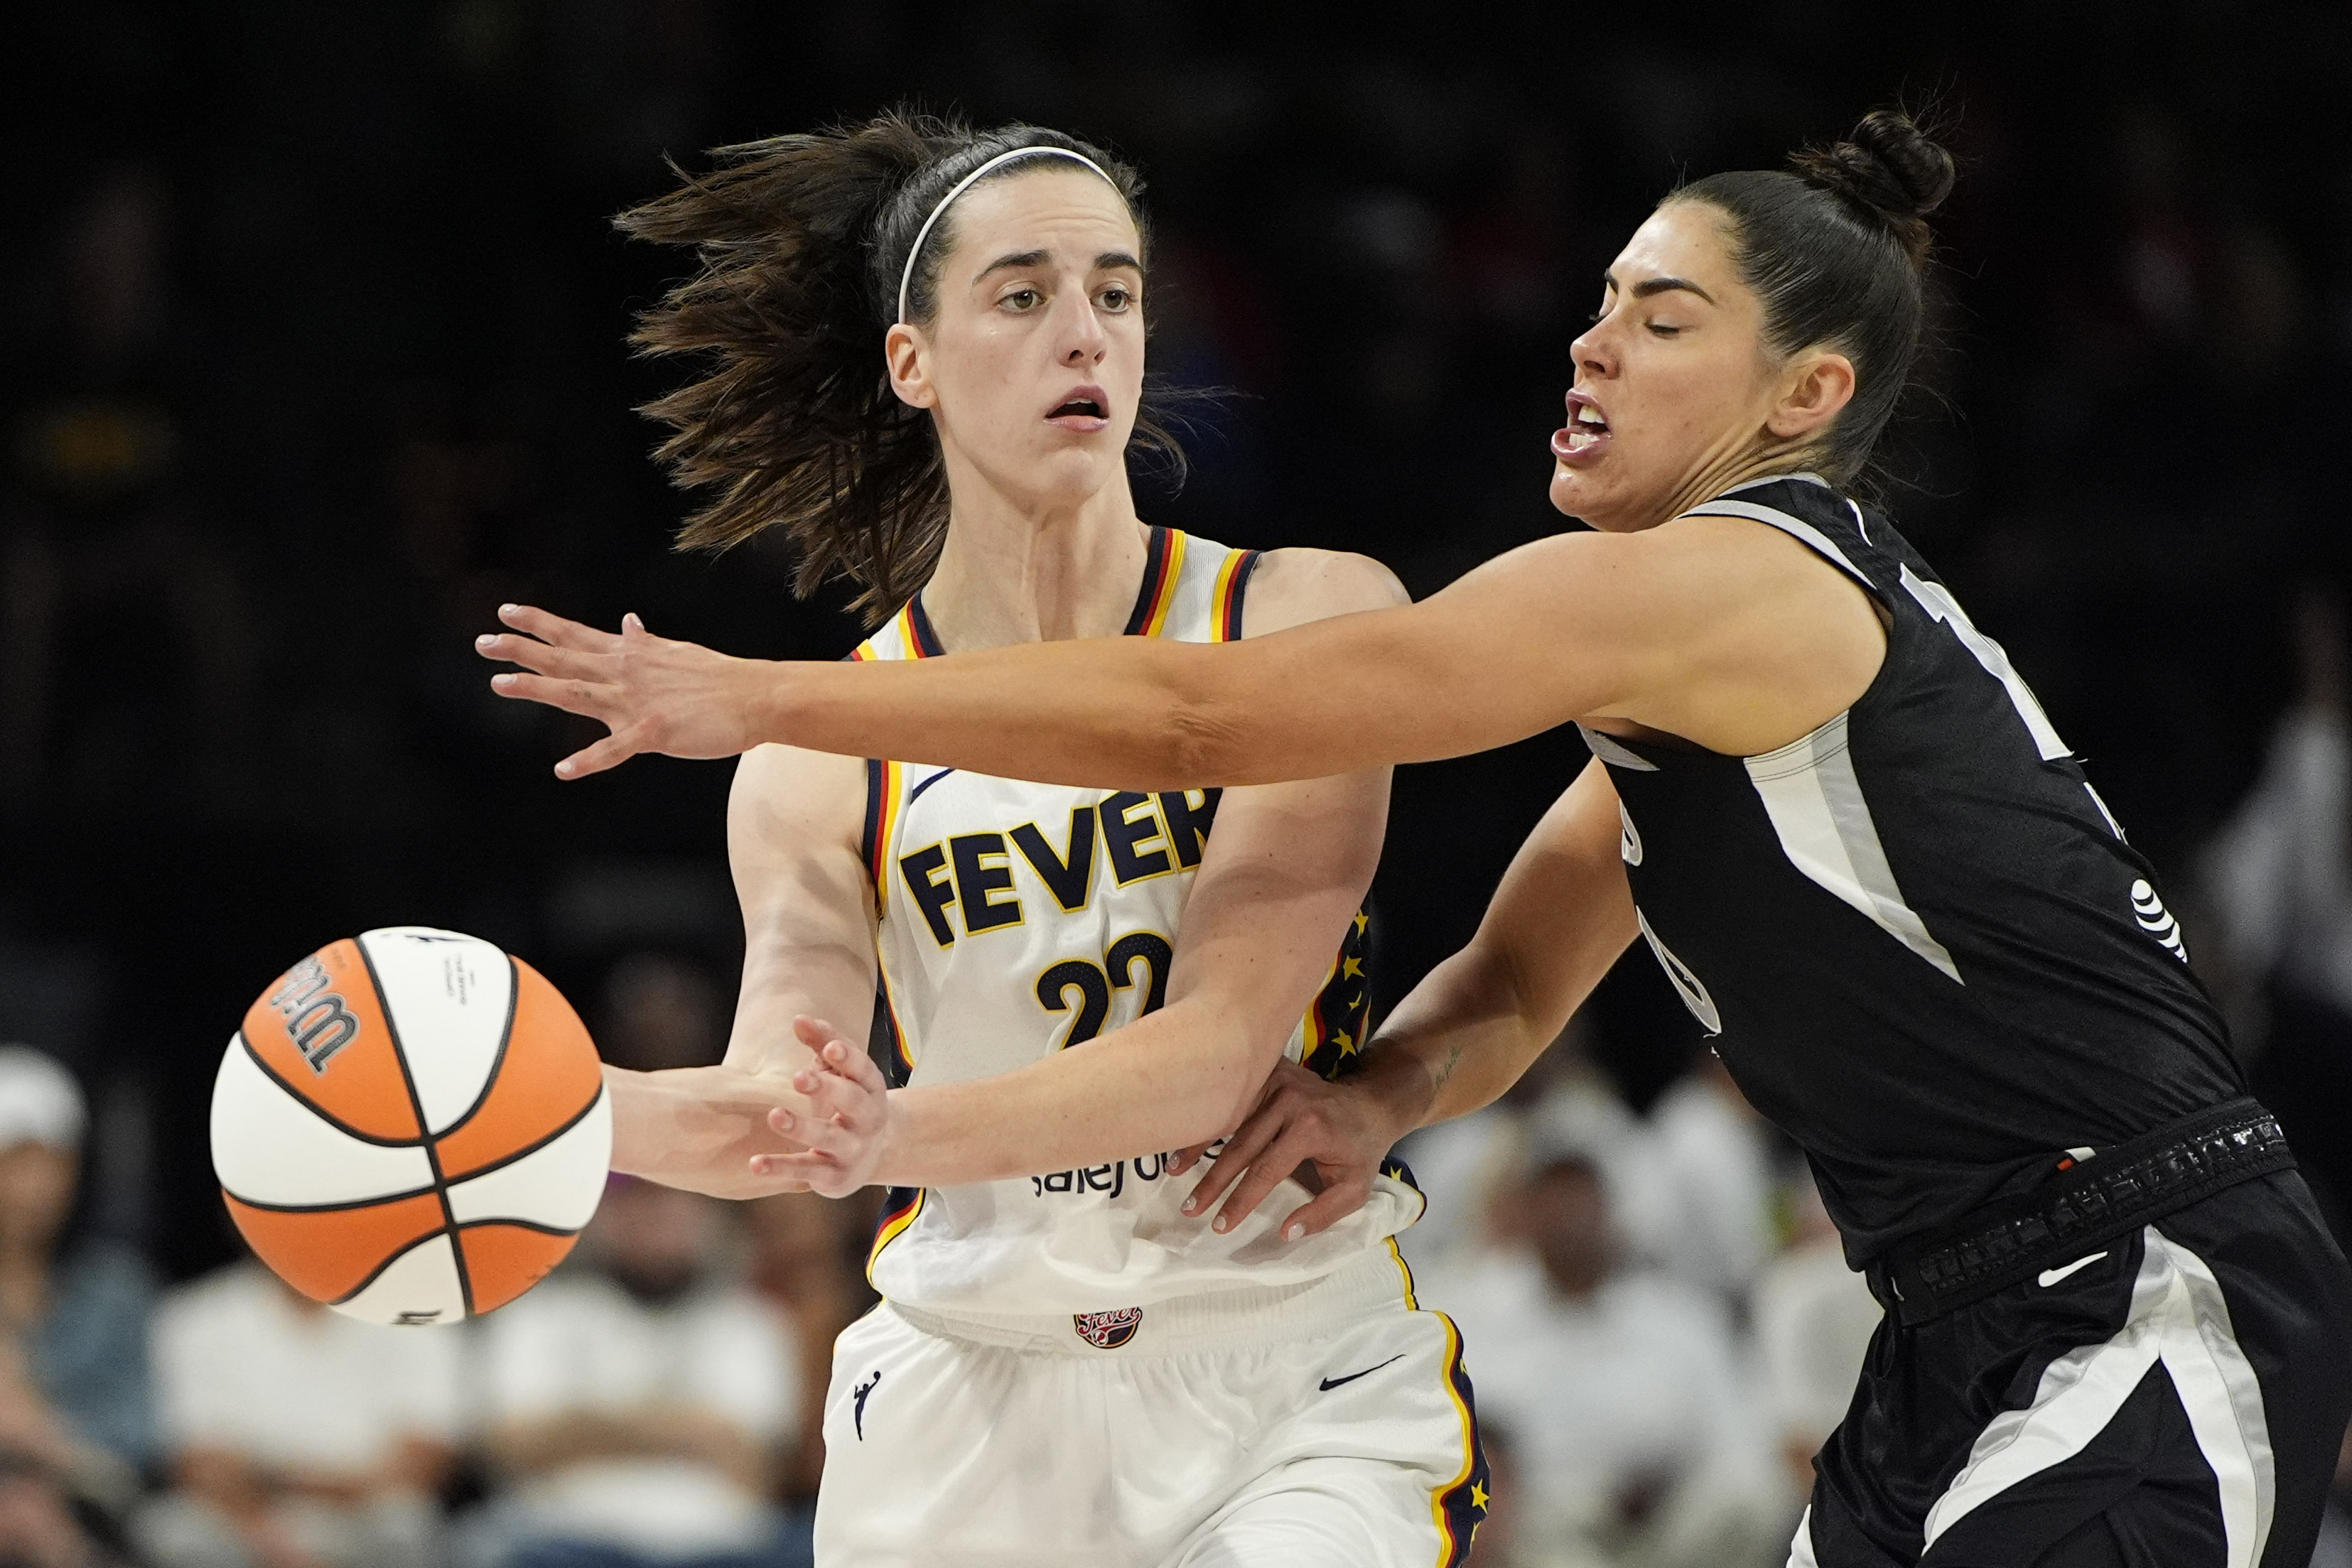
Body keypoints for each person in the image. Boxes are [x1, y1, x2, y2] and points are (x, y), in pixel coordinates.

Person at [482, 106, 2352, 1567]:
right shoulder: (1676, 689)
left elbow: (1201, 717)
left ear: (1802, 402)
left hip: (2131, 1266)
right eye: (1603, 294)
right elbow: (1525, 966)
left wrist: (770, 694)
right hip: (1951, 1304)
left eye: (1661, 316)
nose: (1589, 338)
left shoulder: (1722, 575)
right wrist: (1378, 1098)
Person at [487, 113, 1482, 1567]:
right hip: (965, 1383)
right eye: (1020, 295)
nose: (1082, 331)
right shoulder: (809, 767)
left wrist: (889, 1133)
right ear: (914, 361)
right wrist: (516, 1113)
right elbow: (784, 1107)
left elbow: (1211, 1054)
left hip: (1278, 1364)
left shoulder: (1305, 620)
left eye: (1116, 290)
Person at [473, 1177, 802, 1568]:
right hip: (561, 1540)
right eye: (632, 1198)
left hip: (720, 1546)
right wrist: (688, 1428)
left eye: (669, 1198)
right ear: (597, 1213)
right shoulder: (540, 1312)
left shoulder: (750, 1320)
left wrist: (586, 1426)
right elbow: (515, 1446)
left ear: (708, 1212)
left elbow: (756, 1461)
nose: (651, 1214)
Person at [140, 1256, 460, 1568]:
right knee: (174, 1532)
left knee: (406, 1526)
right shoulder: (198, 1314)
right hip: (247, 1518)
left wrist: (271, 1474)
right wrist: (268, 1534)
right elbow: (203, 1465)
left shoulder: (414, 1311)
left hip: (363, 1516)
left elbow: (419, 1465)